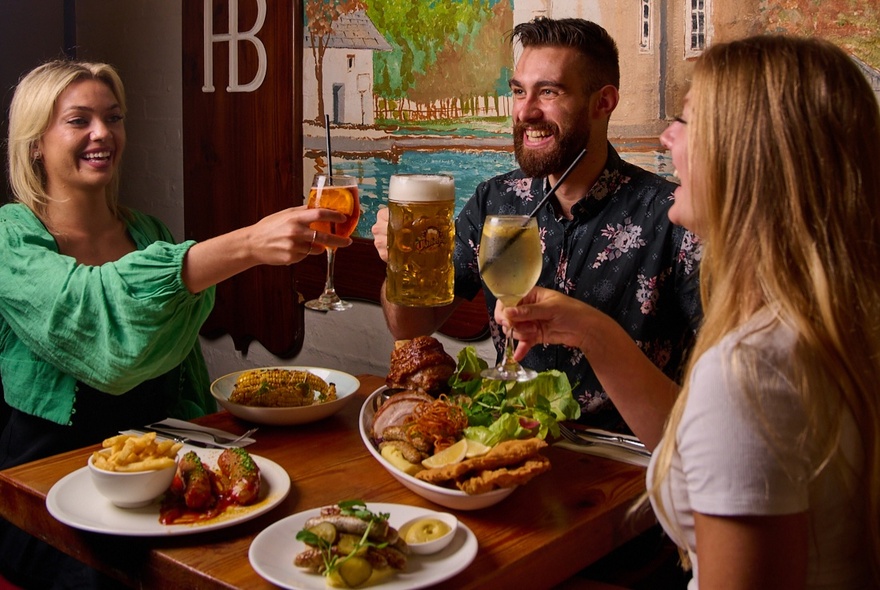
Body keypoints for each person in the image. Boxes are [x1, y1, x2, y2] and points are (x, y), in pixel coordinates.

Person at [499, 35, 880, 588]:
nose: (665, 135)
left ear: (749, 158)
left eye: (689, 120)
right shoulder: (828, 328)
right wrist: (593, 331)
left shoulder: (748, 375)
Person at [0, 59, 350, 588]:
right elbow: (100, 330)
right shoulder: (11, 237)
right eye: (79, 120)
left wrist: (218, 465)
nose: (102, 133)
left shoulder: (147, 234)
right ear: (34, 142)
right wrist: (247, 245)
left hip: (160, 479)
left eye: (113, 117)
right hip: (45, 494)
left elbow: (185, 375)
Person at [371, 17, 701, 431]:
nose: (526, 112)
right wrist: (401, 265)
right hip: (510, 441)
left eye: (548, 91)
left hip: (631, 461)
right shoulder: (494, 200)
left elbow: (726, 397)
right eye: (518, 91)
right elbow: (411, 325)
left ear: (604, 102)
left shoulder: (673, 215)